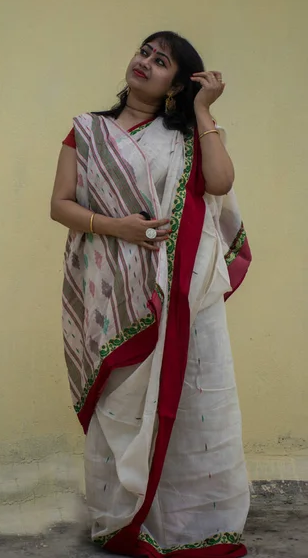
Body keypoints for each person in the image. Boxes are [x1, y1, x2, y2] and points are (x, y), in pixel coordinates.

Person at [50, 31, 252, 558]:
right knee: (121, 406)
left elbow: (220, 180)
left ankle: (193, 524)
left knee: (188, 404)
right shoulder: (87, 132)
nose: (145, 62)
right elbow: (61, 205)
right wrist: (120, 228)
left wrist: (204, 111)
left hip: (177, 295)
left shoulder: (184, 135)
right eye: (144, 51)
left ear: (175, 84)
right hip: (110, 290)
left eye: (161, 61)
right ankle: (120, 518)